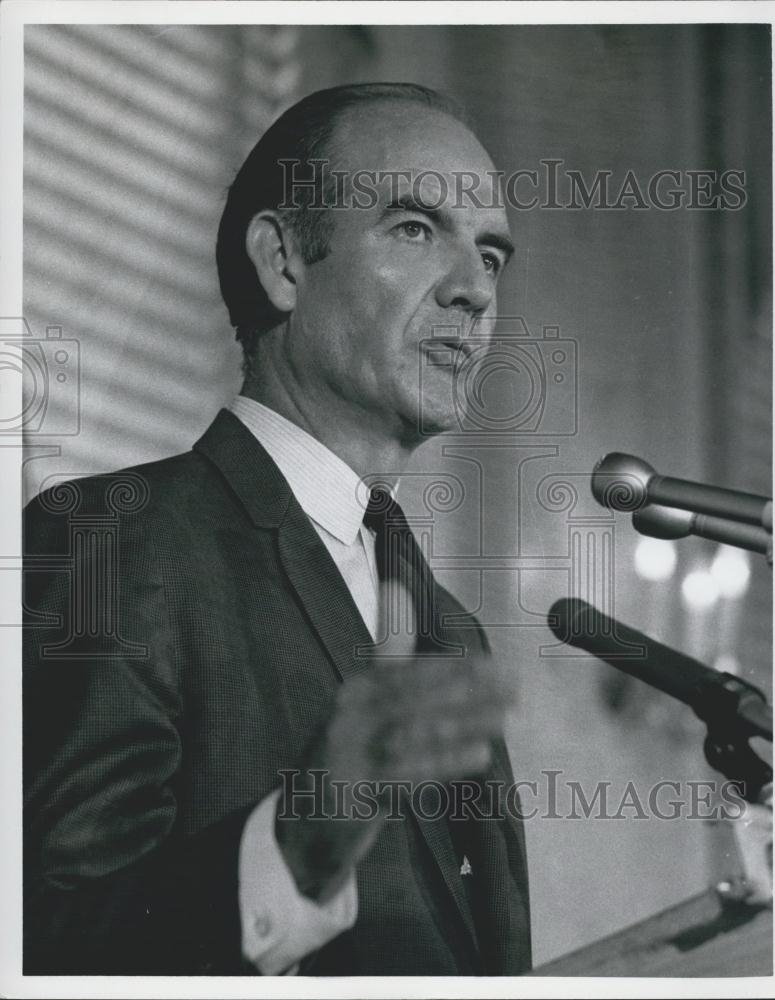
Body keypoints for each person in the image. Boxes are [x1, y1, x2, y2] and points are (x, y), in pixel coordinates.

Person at [23, 83, 531, 976]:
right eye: (416, 229)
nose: (473, 291)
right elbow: (51, 944)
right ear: (284, 261)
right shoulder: (109, 540)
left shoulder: (450, 627)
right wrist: (295, 847)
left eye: (490, 255)